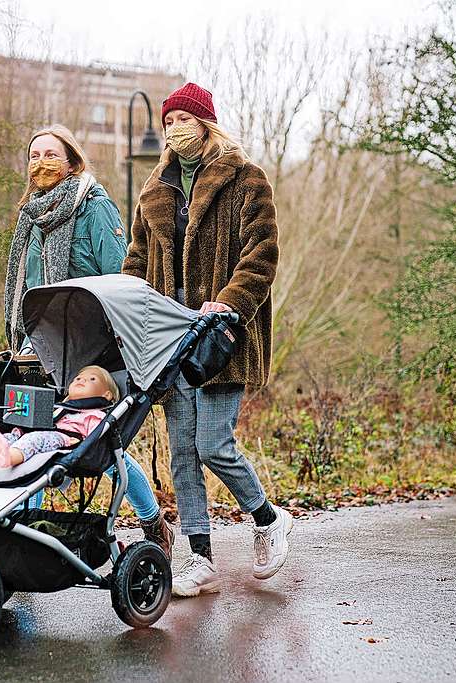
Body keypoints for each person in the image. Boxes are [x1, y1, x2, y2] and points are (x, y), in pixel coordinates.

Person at [123, 82, 293, 597]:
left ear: (206, 124)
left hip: (221, 336)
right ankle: (199, 556)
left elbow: (262, 253)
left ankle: (267, 519)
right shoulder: (154, 190)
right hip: (168, 337)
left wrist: (230, 303)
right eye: (167, 121)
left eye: (183, 120)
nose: (173, 129)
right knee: (181, 452)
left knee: (214, 444)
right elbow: (135, 260)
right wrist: (128, 311)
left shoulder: (247, 181)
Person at [3, 125, 174, 558]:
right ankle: (28, 533)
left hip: (94, 351)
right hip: (39, 348)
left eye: (50, 155)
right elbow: (26, 287)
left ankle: (153, 521)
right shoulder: (29, 218)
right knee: (35, 434)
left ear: (72, 162)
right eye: (34, 155)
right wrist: (21, 337)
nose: (40, 163)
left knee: (96, 442)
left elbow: (122, 281)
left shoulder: (93, 207)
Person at [0, 365, 117, 471]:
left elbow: (97, 436)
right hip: (32, 432)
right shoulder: (59, 406)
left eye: (92, 379)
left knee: (34, 439)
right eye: (78, 378)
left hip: (63, 439)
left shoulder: (95, 414)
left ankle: (9, 457)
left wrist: (81, 443)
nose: (81, 380)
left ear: (107, 394)